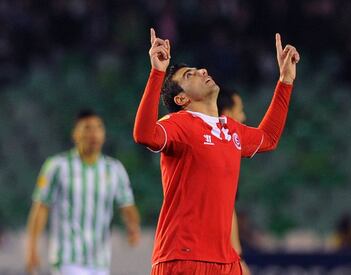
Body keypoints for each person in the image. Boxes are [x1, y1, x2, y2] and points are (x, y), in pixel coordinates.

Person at [133, 28, 299, 274]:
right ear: (181, 99)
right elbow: (144, 135)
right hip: (183, 257)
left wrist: (285, 81)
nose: (202, 71)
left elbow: (268, 138)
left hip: (226, 261)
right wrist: (157, 72)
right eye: (190, 75)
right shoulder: (179, 124)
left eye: (199, 69)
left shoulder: (231, 130)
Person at [26, 109, 141, 275]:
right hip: (67, 259)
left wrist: (133, 227)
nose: (94, 133)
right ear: (75, 134)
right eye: (87, 128)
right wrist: (31, 249)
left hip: (100, 261)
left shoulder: (114, 169)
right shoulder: (57, 166)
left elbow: (127, 205)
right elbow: (41, 208)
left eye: (99, 128)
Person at [217, 88, 250, 275]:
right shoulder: (219, 155)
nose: (244, 117)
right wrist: (236, 256)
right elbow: (225, 209)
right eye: (240, 110)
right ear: (227, 114)